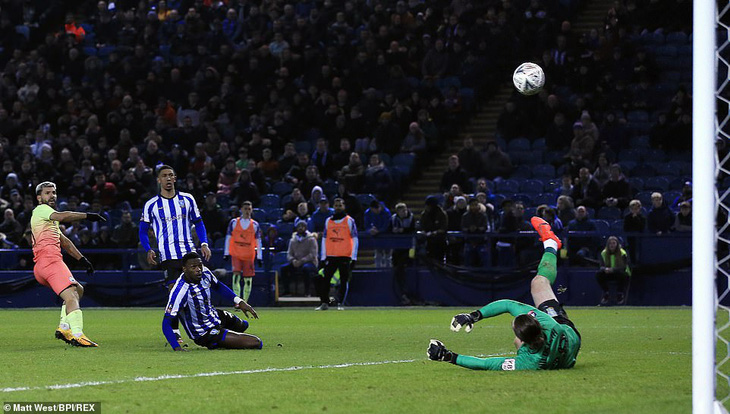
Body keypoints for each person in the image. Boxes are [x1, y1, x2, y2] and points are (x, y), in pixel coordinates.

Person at [427, 217, 581, 371]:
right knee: (539, 283)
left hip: (571, 347)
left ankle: (551, 243)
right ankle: (551, 243)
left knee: (517, 340)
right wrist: (472, 318)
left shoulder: (527, 363)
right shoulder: (544, 320)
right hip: (568, 336)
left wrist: (448, 355)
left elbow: (487, 364)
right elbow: (507, 305)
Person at [139, 165, 212, 346]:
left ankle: (206, 326)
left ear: (175, 178)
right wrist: (148, 248)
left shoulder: (187, 199)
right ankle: (175, 332)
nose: (168, 178)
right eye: (164, 176)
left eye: (171, 175)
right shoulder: (151, 205)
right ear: (159, 180)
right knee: (174, 295)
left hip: (190, 255)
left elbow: (199, 223)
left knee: (196, 294)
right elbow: (142, 230)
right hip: (168, 256)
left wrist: (204, 243)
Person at [31, 181, 106, 347]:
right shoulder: (42, 210)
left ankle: (64, 327)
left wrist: (82, 259)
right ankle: (78, 334)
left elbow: (64, 242)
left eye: (54, 192)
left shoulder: (47, 218)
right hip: (50, 262)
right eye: (47, 193)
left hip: (42, 266)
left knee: (78, 290)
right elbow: (63, 216)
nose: (52, 196)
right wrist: (88, 215)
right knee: (72, 295)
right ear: (39, 198)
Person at [162, 252, 262, 351]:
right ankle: (217, 340)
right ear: (184, 269)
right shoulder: (180, 291)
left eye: (200, 266)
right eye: (193, 267)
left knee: (243, 325)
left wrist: (240, 302)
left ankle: (225, 338)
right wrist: (177, 347)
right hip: (204, 332)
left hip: (214, 316)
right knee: (256, 342)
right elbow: (166, 322)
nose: (198, 270)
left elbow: (218, 286)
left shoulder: (205, 272)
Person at [315, 198, 358, 311]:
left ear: (344, 207)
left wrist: (353, 257)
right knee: (325, 280)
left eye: (340, 205)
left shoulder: (349, 220)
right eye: (336, 205)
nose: (338, 207)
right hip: (331, 256)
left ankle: (340, 304)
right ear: (333, 206)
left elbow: (355, 239)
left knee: (344, 281)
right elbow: (324, 239)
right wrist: (323, 257)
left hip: (345, 255)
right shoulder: (328, 221)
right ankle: (324, 303)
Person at [223, 201, 263, 302]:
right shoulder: (234, 222)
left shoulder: (255, 224)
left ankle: (245, 301)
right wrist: (226, 253)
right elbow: (228, 237)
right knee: (236, 277)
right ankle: (237, 301)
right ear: (241, 209)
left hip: (249, 255)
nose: (247, 211)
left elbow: (258, 241)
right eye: (245, 209)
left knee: (248, 279)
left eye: (249, 209)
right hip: (236, 253)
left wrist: (259, 256)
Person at [280, 220, 319, 296]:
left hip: (310, 262)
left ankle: (307, 292)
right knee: (283, 268)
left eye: (302, 226)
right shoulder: (293, 240)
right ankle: (287, 291)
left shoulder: (311, 239)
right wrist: (293, 260)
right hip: (296, 262)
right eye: (299, 226)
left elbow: (312, 254)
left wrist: (301, 261)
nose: (300, 228)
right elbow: (289, 253)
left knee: (306, 269)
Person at [390, 202, 416, 304]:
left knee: (402, 267)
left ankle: (405, 294)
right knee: (397, 267)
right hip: (397, 248)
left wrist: (403, 230)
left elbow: (413, 229)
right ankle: (403, 294)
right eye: (401, 211)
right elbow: (389, 229)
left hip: (409, 248)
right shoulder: (393, 219)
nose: (404, 212)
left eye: (405, 210)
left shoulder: (411, 218)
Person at [595, 236, 632, 306]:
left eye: (614, 243)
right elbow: (601, 266)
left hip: (619, 273)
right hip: (608, 273)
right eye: (610, 243)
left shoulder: (622, 253)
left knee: (624, 275)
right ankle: (606, 292)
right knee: (599, 274)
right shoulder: (604, 253)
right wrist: (605, 269)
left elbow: (624, 267)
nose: (612, 245)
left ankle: (620, 294)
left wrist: (613, 270)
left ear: (617, 244)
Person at [364, 199, 391, 268]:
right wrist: (370, 230)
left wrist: (379, 230)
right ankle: (378, 269)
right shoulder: (368, 213)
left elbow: (387, 225)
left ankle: (388, 269)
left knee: (387, 255)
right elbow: (366, 225)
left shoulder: (386, 212)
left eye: (377, 209)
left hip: (386, 236)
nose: (376, 211)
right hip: (376, 237)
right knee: (378, 254)